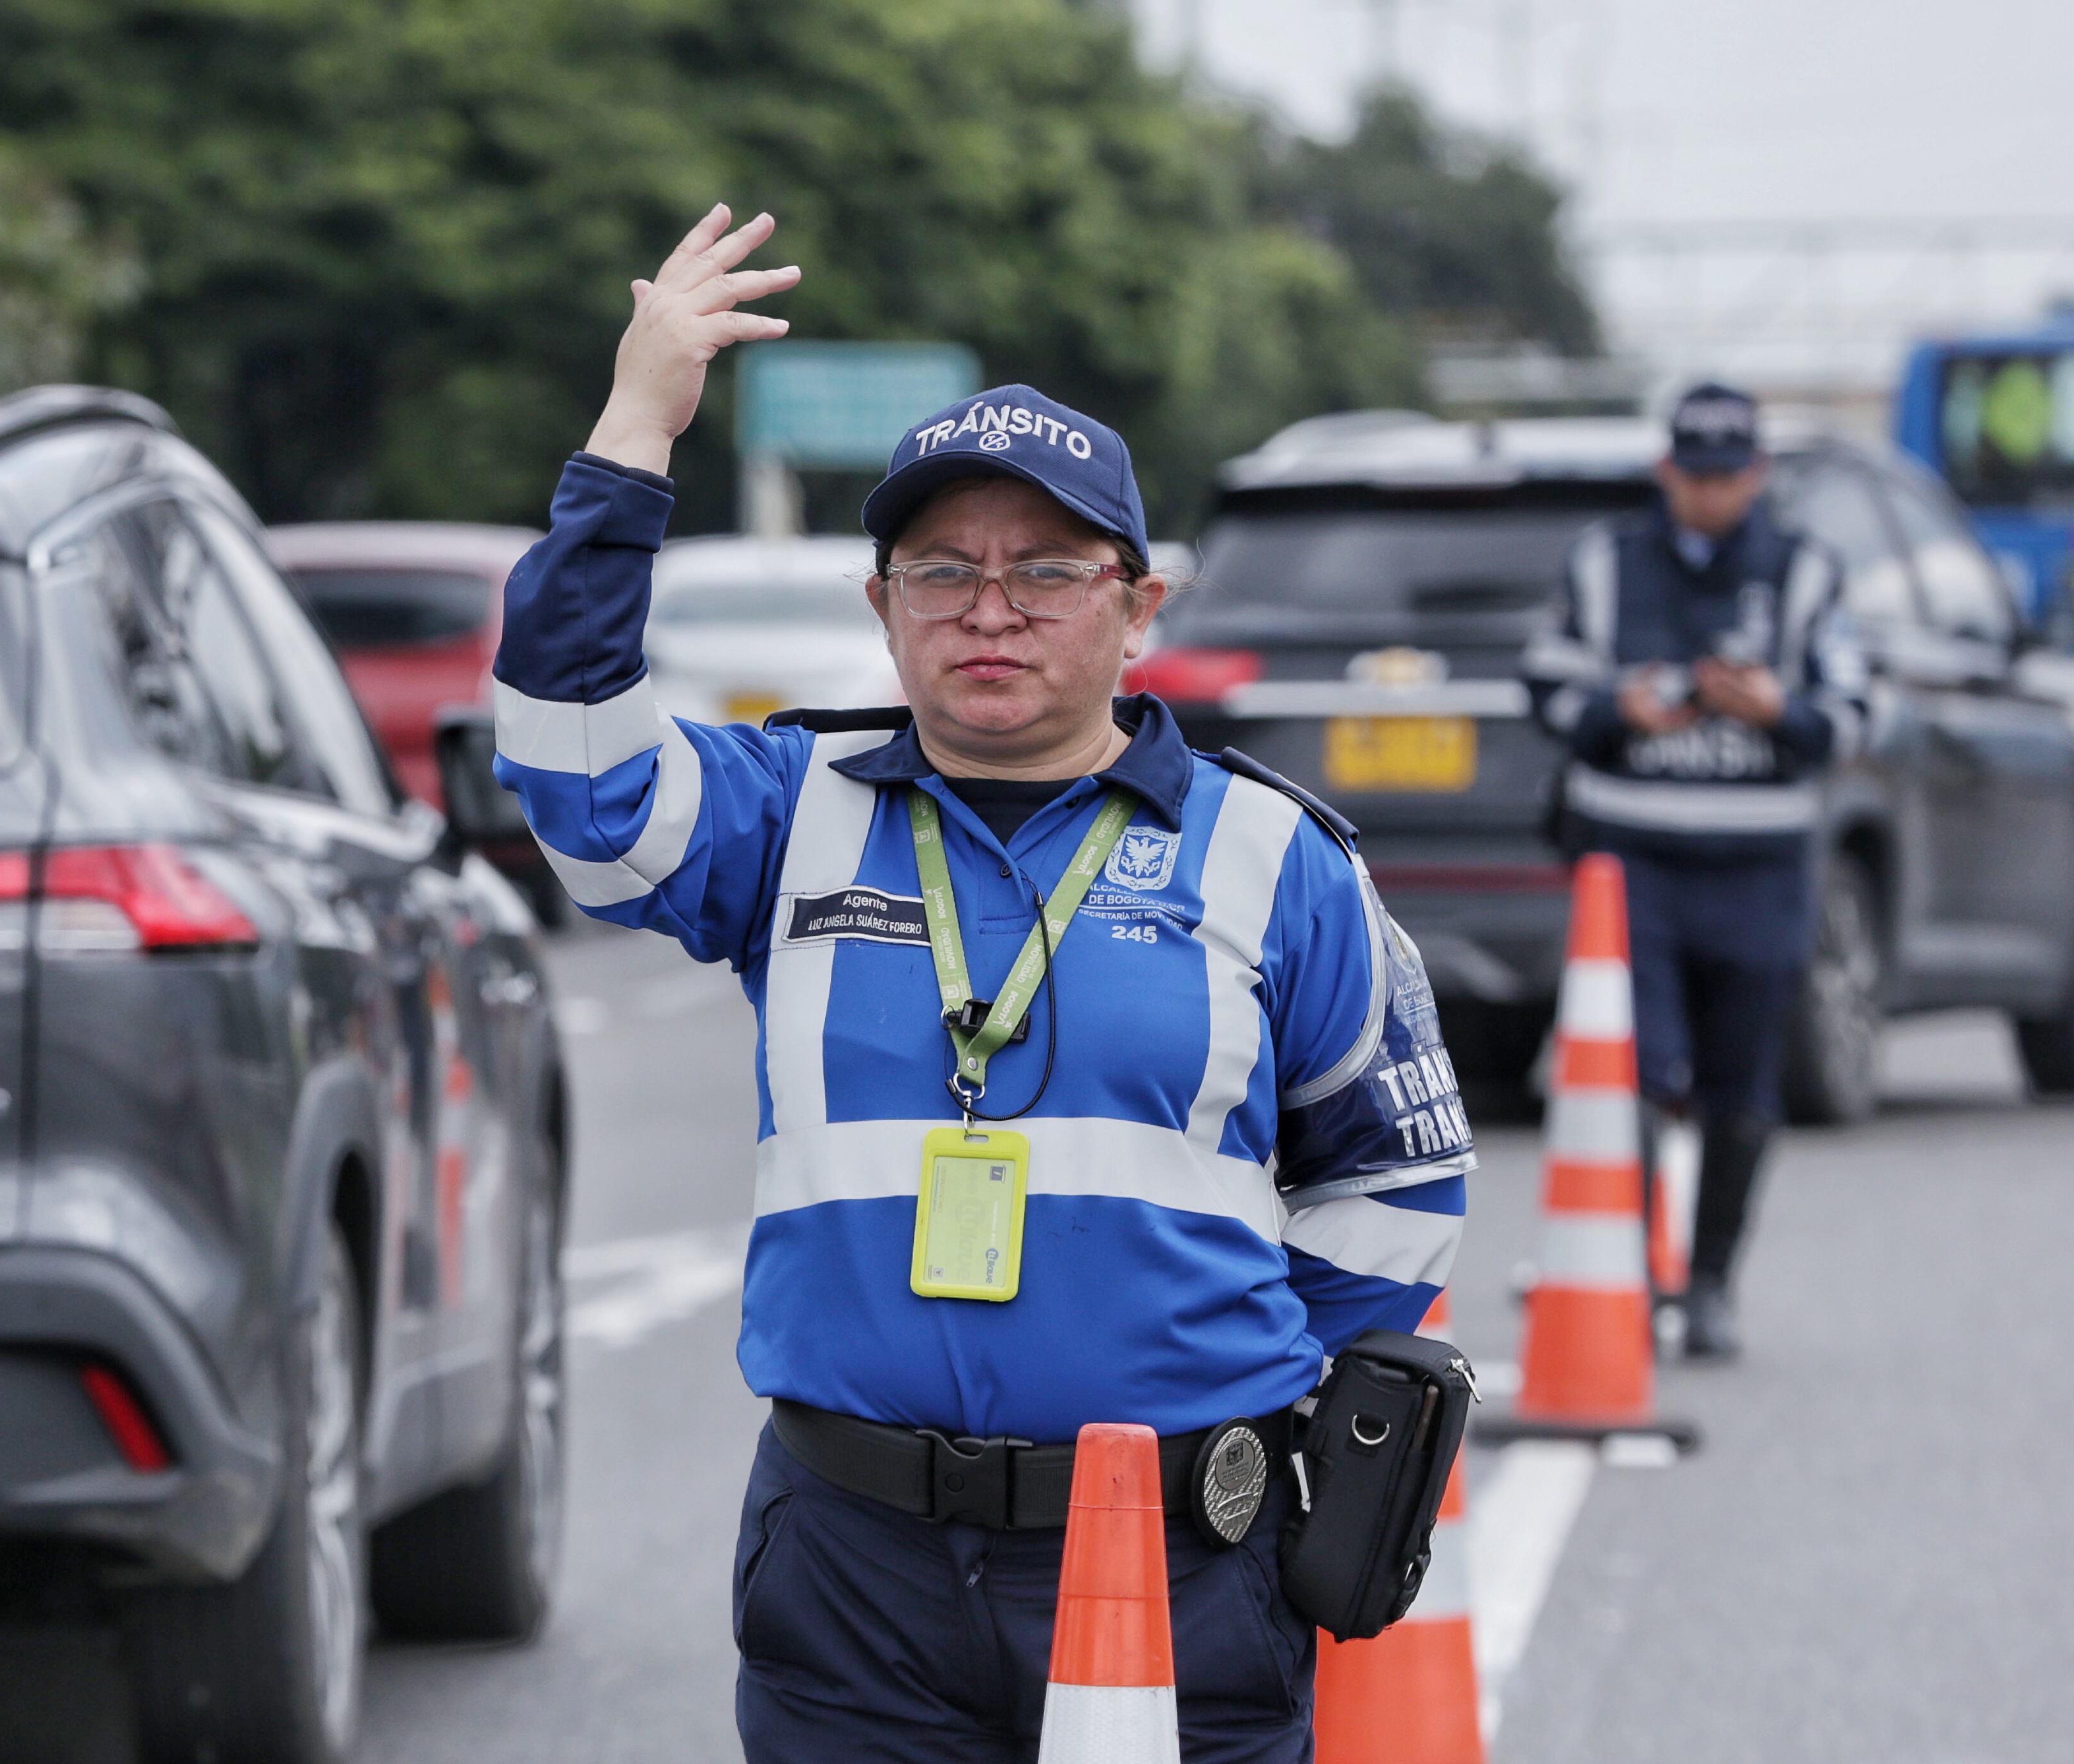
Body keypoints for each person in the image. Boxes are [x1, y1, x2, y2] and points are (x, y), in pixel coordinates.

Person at [491, 205, 1472, 1761]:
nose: (989, 610)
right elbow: (574, 782)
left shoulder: (1274, 859)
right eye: (940, 571)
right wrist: (632, 433)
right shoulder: (784, 809)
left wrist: (1226, 1372)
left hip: (1175, 1552)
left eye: (1046, 570)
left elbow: (1402, 1169)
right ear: (880, 607)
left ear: (1140, 609)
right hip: (855, 1558)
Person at [1522, 382, 1869, 1358]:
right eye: (1694, 472)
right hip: (1631, 867)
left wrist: (1771, 708)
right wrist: (1623, 708)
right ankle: (1626, 1269)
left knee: (1742, 1087)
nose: (1710, 491)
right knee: (1634, 1072)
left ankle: (1712, 1280)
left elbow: (1851, 716)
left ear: (1755, 475)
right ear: (1666, 469)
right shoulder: (1605, 562)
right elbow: (1544, 687)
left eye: (1729, 474)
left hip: (1760, 870)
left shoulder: (1804, 572)